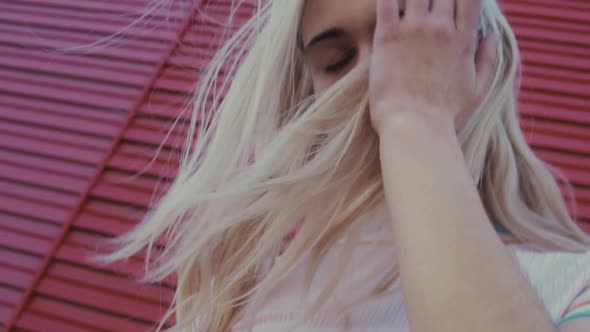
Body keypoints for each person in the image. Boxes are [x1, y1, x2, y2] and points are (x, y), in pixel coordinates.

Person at [92, 0, 590, 331]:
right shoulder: (248, 301)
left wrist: (413, 118)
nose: (381, 81)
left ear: (484, 60)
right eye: (336, 60)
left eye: (417, 47)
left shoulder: (570, 285)